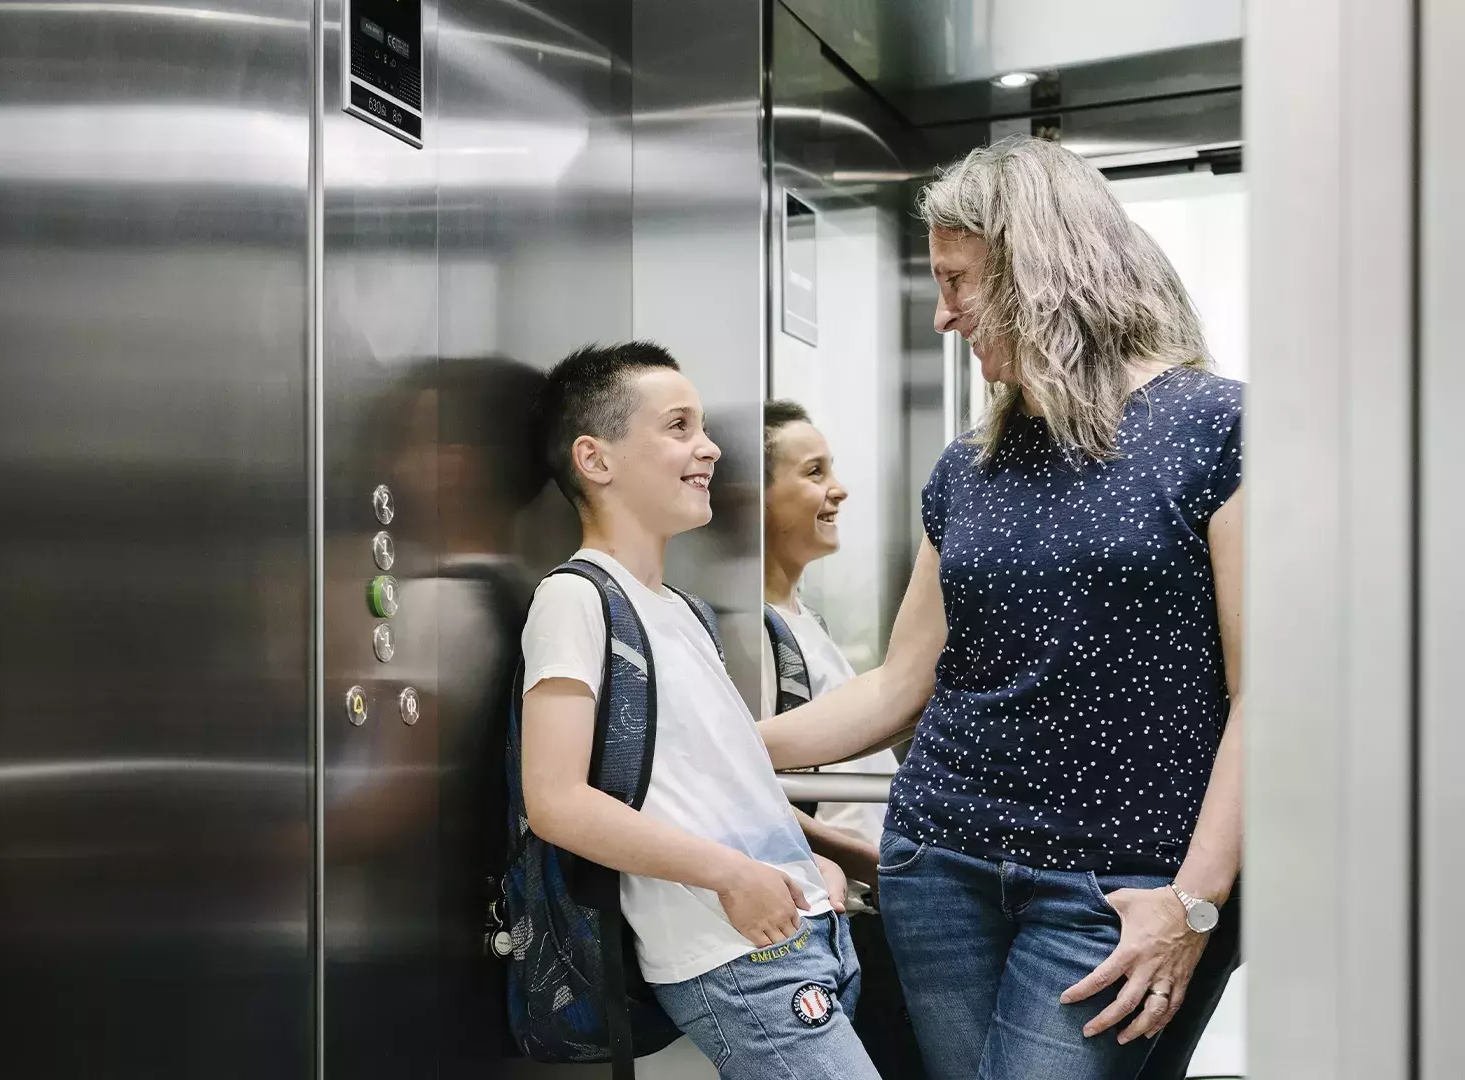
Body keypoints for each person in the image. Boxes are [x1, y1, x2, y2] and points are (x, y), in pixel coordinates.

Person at [757, 135, 1245, 1080]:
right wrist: (722, 745)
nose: (943, 316)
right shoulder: (969, 466)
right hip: (940, 867)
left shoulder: (1219, 429)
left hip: (1118, 889)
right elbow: (903, 682)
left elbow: (1260, 694)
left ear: (1039, 273)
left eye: (958, 282)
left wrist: (1196, 902)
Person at [519, 342, 880, 1080]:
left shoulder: (683, 611)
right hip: (732, 951)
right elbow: (555, 802)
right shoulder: (576, 597)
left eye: (703, 426)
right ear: (596, 459)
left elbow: (723, 785)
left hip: (800, 930)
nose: (708, 447)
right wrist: (732, 876)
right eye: (678, 426)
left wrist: (817, 859)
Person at [759, 400, 921, 1080]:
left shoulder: (803, 617)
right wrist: (865, 860)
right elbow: (750, 788)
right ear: (755, 500)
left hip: (875, 904)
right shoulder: (756, 633)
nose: (839, 489)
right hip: (849, 913)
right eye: (813, 471)